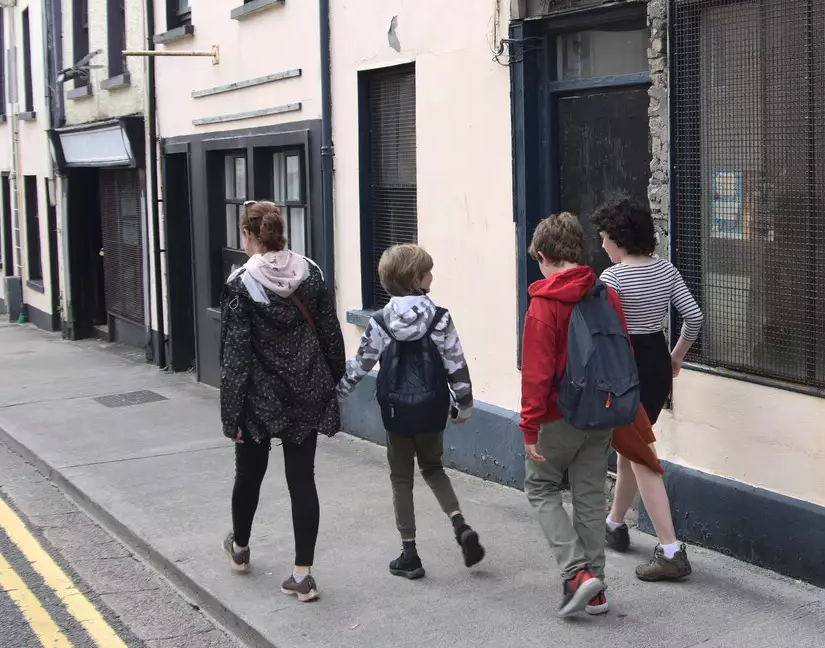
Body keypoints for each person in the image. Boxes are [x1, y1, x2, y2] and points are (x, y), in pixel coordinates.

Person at [219, 200, 345, 603]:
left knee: (249, 473)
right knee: (301, 479)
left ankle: (239, 548)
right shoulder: (312, 274)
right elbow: (331, 336)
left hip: (260, 397)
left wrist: (231, 417)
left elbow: (235, 356)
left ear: (247, 235)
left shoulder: (240, 285)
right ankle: (302, 575)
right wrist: (333, 384)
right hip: (306, 388)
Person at [337, 243, 485, 580]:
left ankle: (410, 554)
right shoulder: (440, 318)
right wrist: (463, 406)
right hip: (432, 409)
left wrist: (338, 397)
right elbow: (456, 366)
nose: (432, 275)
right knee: (433, 468)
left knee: (401, 479)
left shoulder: (379, 321)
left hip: (396, 412)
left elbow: (360, 365)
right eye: (428, 271)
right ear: (415, 279)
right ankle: (460, 525)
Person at [520, 211, 635, 618]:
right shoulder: (605, 293)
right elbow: (624, 350)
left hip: (557, 414)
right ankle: (598, 592)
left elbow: (536, 373)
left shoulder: (544, 303)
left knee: (541, 487)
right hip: (601, 413)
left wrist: (529, 426)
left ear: (545, 255)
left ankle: (577, 575)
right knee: (588, 497)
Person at [592, 196, 702, 581]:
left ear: (618, 238)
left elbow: (605, 336)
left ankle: (670, 549)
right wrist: (676, 357)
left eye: (604, 237)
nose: (601, 245)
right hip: (656, 362)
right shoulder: (666, 270)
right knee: (631, 449)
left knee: (639, 454)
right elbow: (694, 316)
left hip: (626, 370)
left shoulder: (612, 278)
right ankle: (615, 524)